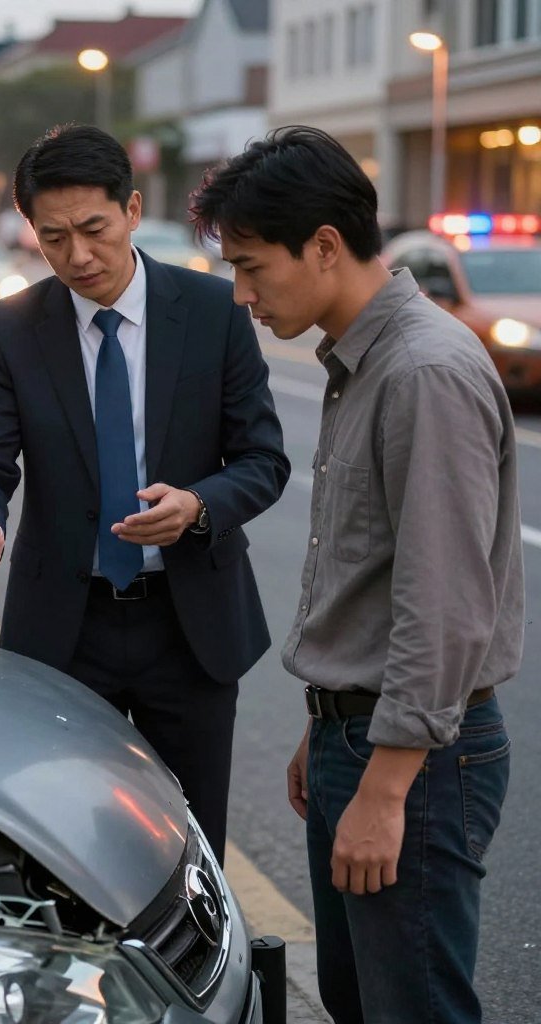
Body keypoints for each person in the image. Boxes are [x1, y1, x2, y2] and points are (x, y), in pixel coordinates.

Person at [190, 126, 523, 1024]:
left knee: (411, 1006)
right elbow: (371, 576)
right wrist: (329, 723)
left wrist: (383, 785)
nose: (243, 292)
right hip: (366, 734)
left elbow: (443, 602)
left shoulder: (421, 371)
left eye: (254, 266)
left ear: (326, 247)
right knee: (359, 999)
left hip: (417, 757)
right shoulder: (364, 360)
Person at [0, 124, 290, 864]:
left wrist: (198, 507)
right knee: (61, 846)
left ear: (132, 210)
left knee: (190, 845)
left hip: (187, 625)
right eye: (53, 237)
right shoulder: (12, 328)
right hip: (65, 631)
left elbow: (263, 460)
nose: (78, 256)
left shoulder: (211, 312)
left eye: (94, 229)